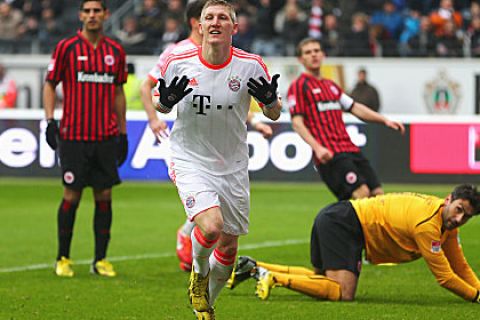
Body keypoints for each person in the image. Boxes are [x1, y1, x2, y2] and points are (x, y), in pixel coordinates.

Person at [152, 1, 282, 318]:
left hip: (233, 164)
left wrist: (268, 103)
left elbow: (275, 111)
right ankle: (199, 273)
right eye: (209, 17)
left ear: (233, 28)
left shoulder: (251, 65)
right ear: (199, 25)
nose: (214, 22)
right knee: (211, 226)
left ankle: (206, 307)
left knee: (228, 248)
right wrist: (165, 102)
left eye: (222, 18)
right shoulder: (176, 59)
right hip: (189, 157)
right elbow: (160, 102)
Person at [228, 184, 480, 303]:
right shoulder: (428, 224)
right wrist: (475, 296)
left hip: (338, 215)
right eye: (458, 210)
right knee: (342, 293)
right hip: (347, 224)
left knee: (321, 280)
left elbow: (460, 266)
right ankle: (271, 276)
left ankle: (253, 267)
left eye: (466, 216)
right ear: (448, 200)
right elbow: (445, 277)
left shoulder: (444, 222)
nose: (459, 218)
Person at [43, 0, 128, 278]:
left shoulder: (115, 50)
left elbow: (118, 93)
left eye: (97, 11)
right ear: (81, 15)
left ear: (105, 15)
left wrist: (123, 132)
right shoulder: (66, 47)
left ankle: (100, 260)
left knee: (104, 196)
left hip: (104, 137)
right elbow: (50, 84)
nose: (92, 16)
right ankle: (63, 257)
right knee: (72, 196)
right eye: (87, 11)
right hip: (74, 137)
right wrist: (50, 120)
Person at [288, 38, 405, 201]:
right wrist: (317, 148)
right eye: (308, 52)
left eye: (316, 51)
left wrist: (384, 120)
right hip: (330, 154)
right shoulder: (299, 86)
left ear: (323, 55)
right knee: (361, 195)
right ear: (301, 59)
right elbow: (297, 123)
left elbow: (355, 107)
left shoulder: (331, 85)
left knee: (378, 195)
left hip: (350, 149)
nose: (313, 55)